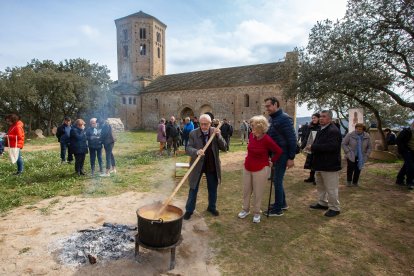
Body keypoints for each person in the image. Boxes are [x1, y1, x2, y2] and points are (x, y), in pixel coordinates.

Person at [237, 115, 283, 223]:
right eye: (251, 126)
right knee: (246, 190)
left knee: (258, 192)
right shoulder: (252, 136)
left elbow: (278, 151)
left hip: (260, 169)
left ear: (260, 127)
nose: (251, 128)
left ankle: (257, 212)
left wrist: (271, 161)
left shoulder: (267, 139)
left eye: (253, 126)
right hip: (247, 167)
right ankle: (245, 209)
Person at [183, 114, 227, 220]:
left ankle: (211, 207)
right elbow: (188, 148)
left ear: (210, 123)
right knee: (193, 188)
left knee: (213, 188)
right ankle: (189, 210)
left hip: (212, 165)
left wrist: (219, 136)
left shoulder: (215, 131)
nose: (203, 126)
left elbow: (224, 147)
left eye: (206, 124)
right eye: (201, 124)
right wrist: (196, 151)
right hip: (197, 165)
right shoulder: (193, 133)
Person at [263, 97, 296, 217]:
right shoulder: (272, 119)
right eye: (266, 107)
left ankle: (277, 209)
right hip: (275, 154)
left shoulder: (284, 119)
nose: (267, 109)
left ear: (276, 105)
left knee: (277, 180)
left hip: (283, 154)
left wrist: (291, 157)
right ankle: (282, 203)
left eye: (268, 106)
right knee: (277, 180)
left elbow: (292, 139)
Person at [306, 110, 342, 217]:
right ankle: (323, 203)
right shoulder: (321, 129)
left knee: (331, 188)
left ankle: (335, 208)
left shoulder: (333, 131)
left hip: (330, 165)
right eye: (320, 116)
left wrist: (313, 147)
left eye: (324, 116)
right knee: (321, 186)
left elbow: (332, 147)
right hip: (320, 163)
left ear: (330, 119)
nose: (321, 118)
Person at [302, 113, 321, 184]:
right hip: (310, 147)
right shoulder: (310, 127)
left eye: (315, 118)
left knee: (317, 163)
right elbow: (306, 137)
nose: (313, 119)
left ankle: (316, 179)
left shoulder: (321, 127)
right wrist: (302, 146)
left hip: (317, 147)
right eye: (312, 118)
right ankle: (311, 178)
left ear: (319, 118)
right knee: (311, 163)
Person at [395, 121, 414, 189]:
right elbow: (398, 140)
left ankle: (399, 180)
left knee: (407, 165)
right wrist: (404, 149)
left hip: (413, 151)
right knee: (411, 166)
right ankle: (410, 182)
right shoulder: (406, 131)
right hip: (406, 150)